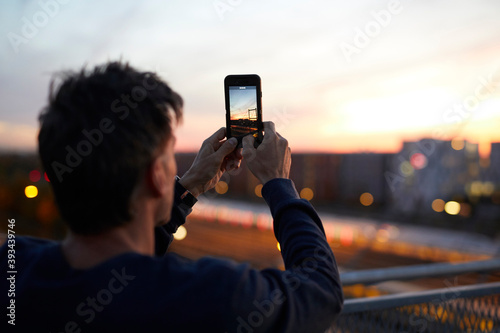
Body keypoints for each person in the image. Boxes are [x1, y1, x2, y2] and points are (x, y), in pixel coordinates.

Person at [0, 61, 343, 332]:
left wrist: (190, 185)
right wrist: (279, 184)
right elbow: (320, 292)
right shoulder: (209, 294)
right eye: (169, 155)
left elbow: (122, 264)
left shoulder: (14, 268)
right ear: (156, 176)